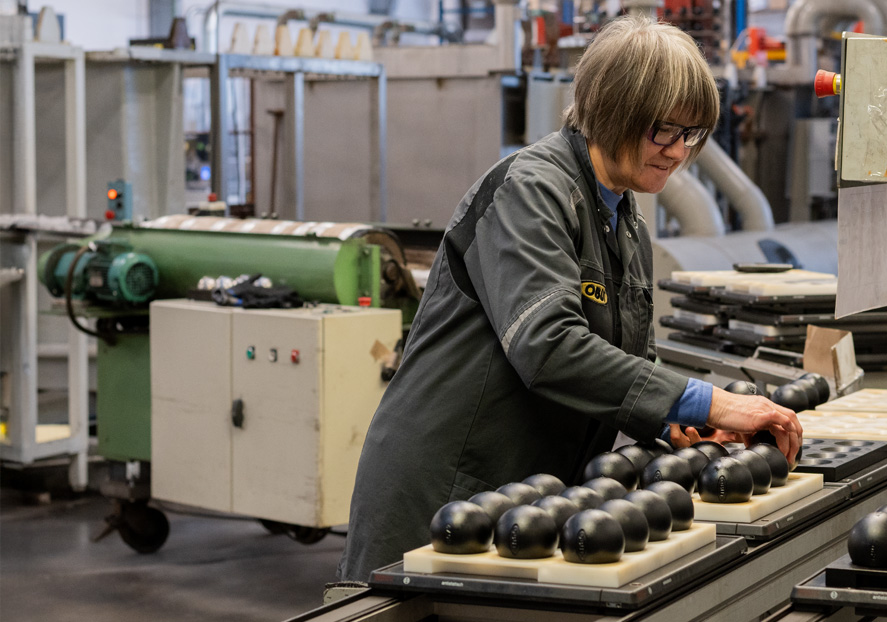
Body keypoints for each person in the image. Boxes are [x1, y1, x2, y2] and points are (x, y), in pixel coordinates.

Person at [338, 15, 802, 581]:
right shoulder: (532, 190)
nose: (679, 152)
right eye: (665, 131)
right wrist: (710, 402)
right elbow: (548, 345)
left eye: (692, 134)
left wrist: (678, 421)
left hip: (527, 498)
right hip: (446, 489)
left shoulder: (627, 222)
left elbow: (627, 361)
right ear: (613, 110)